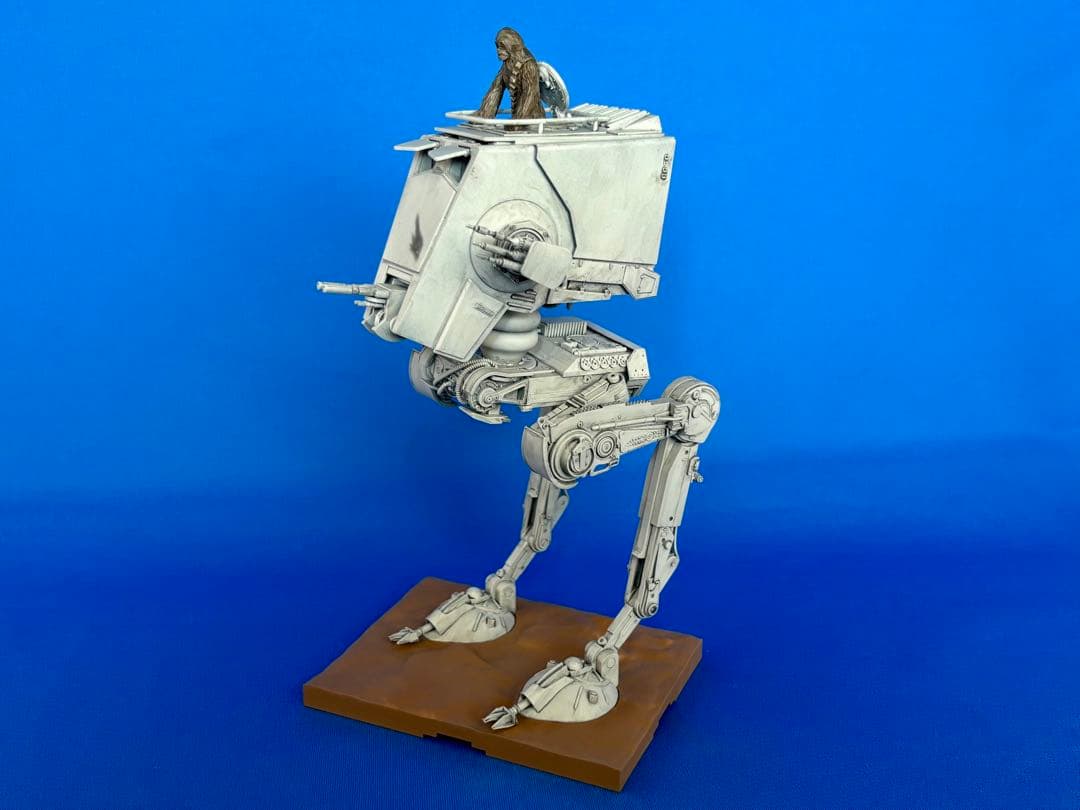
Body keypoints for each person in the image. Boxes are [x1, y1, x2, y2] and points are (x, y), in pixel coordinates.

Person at [476, 28, 543, 120]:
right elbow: (495, 90)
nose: (498, 50)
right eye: (497, 46)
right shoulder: (507, 65)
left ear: (513, 46)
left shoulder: (529, 65)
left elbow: (530, 96)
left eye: (502, 46)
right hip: (517, 115)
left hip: (532, 118)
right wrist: (484, 115)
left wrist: (518, 122)